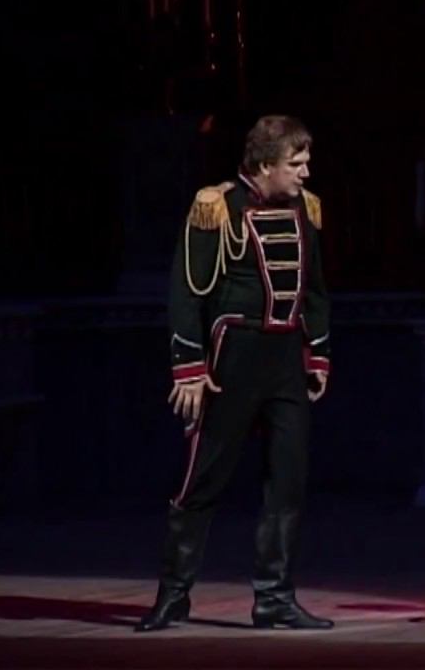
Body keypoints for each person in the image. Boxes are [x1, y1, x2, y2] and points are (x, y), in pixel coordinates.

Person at [136, 115, 334, 632]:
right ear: (265, 165)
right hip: (233, 357)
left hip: (286, 359)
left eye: (306, 162)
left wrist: (317, 354)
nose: (305, 172)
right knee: (202, 477)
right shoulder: (217, 206)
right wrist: (189, 369)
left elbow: (315, 290)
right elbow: (186, 292)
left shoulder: (305, 209)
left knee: (287, 480)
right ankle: (173, 595)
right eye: (295, 163)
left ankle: (275, 599)